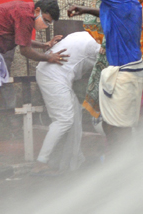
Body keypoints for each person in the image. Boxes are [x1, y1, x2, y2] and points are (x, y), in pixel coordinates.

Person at [69, 0, 143, 154]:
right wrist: (85, 9)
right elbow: (110, 13)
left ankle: (124, 168)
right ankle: (121, 166)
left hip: (125, 72)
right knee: (112, 126)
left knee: (119, 127)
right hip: (123, 70)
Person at [31, 31, 101, 175]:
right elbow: (108, 64)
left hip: (52, 74)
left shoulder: (84, 34)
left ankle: (75, 160)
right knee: (64, 120)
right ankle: (40, 164)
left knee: (74, 117)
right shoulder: (95, 44)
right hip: (53, 77)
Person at [0, 0, 65, 64]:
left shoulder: (26, 9)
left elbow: (23, 40)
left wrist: (43, 45)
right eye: (45, 20)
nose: (45, 25)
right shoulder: (25, 16)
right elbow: (25, 50)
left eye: (48, 23)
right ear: (37, 10)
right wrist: (49, 58)